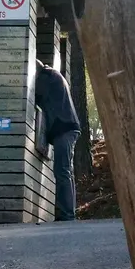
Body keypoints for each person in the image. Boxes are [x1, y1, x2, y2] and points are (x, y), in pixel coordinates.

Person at [34, 59, 81, 221]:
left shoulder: (46, 76)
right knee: (66, 172)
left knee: (63, 171)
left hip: (64, 128)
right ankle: (68, 213)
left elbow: (34, 95)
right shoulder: (54, 75)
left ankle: (67, 215)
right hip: (68, 127)